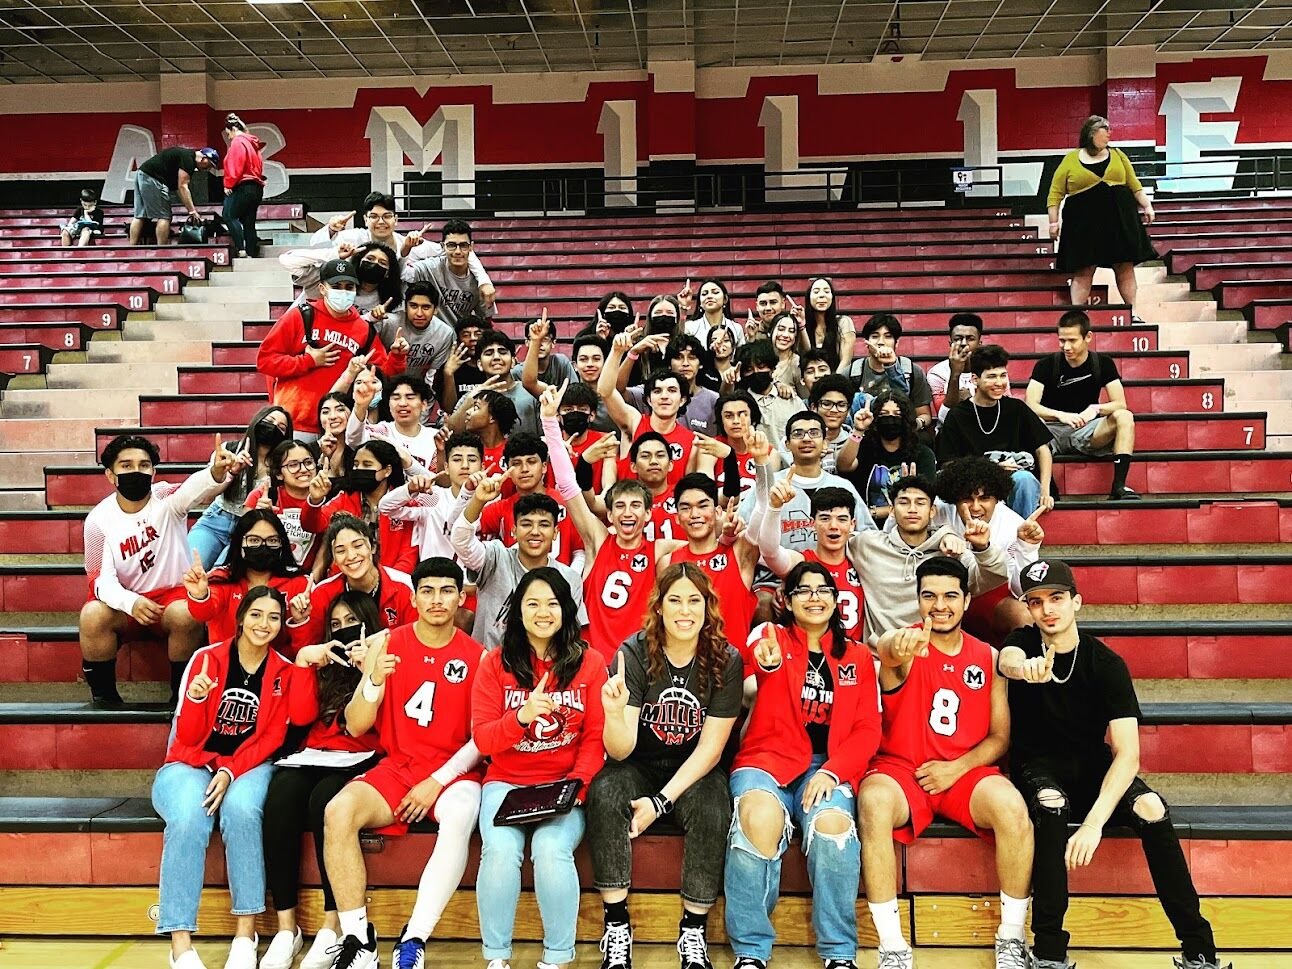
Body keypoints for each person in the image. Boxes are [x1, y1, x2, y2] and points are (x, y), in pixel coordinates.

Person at [1000, 559, 1229, 969]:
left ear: (1077, 602)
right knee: (1052, 807)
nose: (1047, 609)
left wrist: (1094, 824)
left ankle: (1199, 949)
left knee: (1152, 808)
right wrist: (1024, 670)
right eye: (1036, 602)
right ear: (1029, 610)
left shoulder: (1105, 664)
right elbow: (1007, 659)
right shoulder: (1022, 642)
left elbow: (1128, 754)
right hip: (1038, 765)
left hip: (1092, 766)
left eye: (1056, 598)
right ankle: (1049, 951)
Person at [860, 557, 1034, 969]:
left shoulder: (988, 657)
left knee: (1013, 809)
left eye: (950, 595)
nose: (940, 605)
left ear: (966, 599)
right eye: (929, 596)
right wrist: (889, 648)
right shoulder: (903, 645)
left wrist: (956, 769)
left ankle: (1011, 938)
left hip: (964, 773)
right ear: (917, 600)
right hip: (903, 769)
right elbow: (884, 650)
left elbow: (1000, 738)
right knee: (873, 803)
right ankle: (893, 946)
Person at [322, 558, 487, 969]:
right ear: (412, 597)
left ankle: (414, 939)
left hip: (454, 773)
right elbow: (357, 726)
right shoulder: (386, 643)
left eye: (446, 591)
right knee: (337, 811)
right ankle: (359, 941)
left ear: (461, 598)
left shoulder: (479, 656)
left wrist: (436, 780)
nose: (436, 599)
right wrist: (374, 680)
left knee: (463, 811)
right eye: (427, 591)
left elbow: (480, 741)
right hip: (398, 767)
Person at [725, 562, 882, 969]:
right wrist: (767, 662)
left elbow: (868, 730)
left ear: (836, 599)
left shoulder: (859, 657)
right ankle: (751, 950)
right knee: (757, 815)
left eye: (822, 589)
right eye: (803, 590)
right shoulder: (772, 638)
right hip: (766, 759)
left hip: (827, 765)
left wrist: (832, 770)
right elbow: (759, 660)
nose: (814, 597)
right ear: (788, 601)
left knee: (834, 828)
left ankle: (838, 951)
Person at [589, 564, 743, 969]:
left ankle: (693, 929)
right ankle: (616, 925)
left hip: (694, 766)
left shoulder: (726, 660)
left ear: (708, 608)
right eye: (674, 599)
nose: (684, 610)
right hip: (639, 761)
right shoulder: (633, 653)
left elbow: (710, 750)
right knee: (604, 791)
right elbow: (620, 752)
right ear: (659, 607)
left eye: (695, 600)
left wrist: (659, 802)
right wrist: (614, 714)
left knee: (713, 805)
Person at [152, 587, 314, 969]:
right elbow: (188, 738)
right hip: (188, 763)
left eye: (274, 617)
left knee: (242, 811)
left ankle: (246, 933)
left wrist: (229, 771)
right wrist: (193, 699)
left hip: (248, 764)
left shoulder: (283, 672)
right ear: (241, 617)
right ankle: (180, 944)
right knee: (190, 817)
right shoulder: (205, 659)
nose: (264, 624)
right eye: (256, 615)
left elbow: (273, 738)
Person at [471, 567, 608, 969]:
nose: (542, 611)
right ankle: (496, 957)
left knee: (550, 850)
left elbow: (595, 737)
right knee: (499, 851)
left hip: (565, 783)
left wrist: (576, 787)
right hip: (508, 782)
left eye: (552, 603)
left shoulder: (591, 663)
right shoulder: (494, 664)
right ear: (518, 611)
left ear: (567, 610)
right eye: (532, 603)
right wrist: (521, 717)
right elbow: (483, 740)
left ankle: (557, 957)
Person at [259, 592, 380, 969]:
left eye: (352, 623)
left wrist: (368, 669)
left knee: (324, 803)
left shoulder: (382, 658)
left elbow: (381, 721)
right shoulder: (323, 662)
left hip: (363, 754)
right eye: (337, 624)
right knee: (278, 798)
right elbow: (300, 716)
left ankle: (333, 925)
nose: (344, 631)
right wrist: (302, 663)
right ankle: (286, 927)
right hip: (315, 753)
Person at [81, 433, 244, 707]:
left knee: (186, 613)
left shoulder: (165, 496)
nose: (137, 471)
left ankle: (180, 698)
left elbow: (193, 489)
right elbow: (100, 582)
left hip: (172, 600)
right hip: (127, 605)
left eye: (144, 465)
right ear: (110, 475)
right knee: (92, 614)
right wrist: (131, 602)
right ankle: (104, 698)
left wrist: (215, 470)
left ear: (153, 471)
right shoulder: (97, 520)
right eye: (127, 465)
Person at [843, 474, 1009, 648]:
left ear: (932, 511)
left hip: (932, 656)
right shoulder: (867, 545)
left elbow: (995, 577)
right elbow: (833, 541)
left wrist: (983, 547)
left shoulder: (951, 551)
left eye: (920, 503)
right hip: (880, 656)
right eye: (904, 502)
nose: (912, 509)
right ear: (891, 510)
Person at [256, 258, 405, 441]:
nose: (343, 291)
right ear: (322, 289)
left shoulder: (363, 329)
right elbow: (265, 361)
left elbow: (381, 374)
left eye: (349, 287)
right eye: (337, 286)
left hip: (337, 426)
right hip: (295, 422)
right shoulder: (300, 316)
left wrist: (397, 357)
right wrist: (308, 361)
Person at [451, 475, 587, 649]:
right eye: (526, 524)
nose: (535, 532)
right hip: (490, 669)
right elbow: (461, 541)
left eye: (544, 525)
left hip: (543, 671)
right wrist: (478, 500)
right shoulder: (496, 558)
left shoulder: (569, 579)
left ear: (555, 533)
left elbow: (570, 636)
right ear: (514, 531)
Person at [1048, 116, 1156, 320]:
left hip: (1119, 218)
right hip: (1083, 222)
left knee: (1124, 266)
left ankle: (1132, 312)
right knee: (1084, 268)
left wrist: (1147, 206)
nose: (1109, 133)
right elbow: (1055, 194)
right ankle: (1077, 314)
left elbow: (1134, 184)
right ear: (1091, 133)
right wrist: (1053, 222)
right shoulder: (1070, 159)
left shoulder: (1118, 155)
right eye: (1104, 129)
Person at [1026, 309, 1141, 500]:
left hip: (1086, 430)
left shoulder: (1103, 363)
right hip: (1052, 432)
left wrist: (1096, 409)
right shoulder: (1046, 364)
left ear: (1088, 337)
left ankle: (1118, 487)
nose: (1066, 346)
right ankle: (1051, 491)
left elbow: (1120, 403)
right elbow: (1030, 405)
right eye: (1062, 340)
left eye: (1072, 340)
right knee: (1029, 424)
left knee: (1125, 416)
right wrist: (1060, 415)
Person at [929, 457, 1043, 642]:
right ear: (953, 498)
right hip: (937, 595)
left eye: (984, 498)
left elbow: (1021, 591)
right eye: (967, 498)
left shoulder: (1013, 525)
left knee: (1023, 616)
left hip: (987, 598)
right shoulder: (937, 511)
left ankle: (1019, 667)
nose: (975, 507)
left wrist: (1027, 548)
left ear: (997, 499)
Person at [938, 345, 1055, 519]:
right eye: (992, 377)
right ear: (975, 380)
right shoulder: (958, 415)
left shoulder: (1016, 408)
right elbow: (947, 463)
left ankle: (1020, 541)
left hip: (1014, 481)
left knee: (1025, 479)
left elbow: (1043, 448)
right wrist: (991, 468)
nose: (999, 383)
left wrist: (1045, 490)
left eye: (1003, 375)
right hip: (975, 483)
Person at [756, 476, 868, 646]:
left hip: (852, 658)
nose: (833, 526)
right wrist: (774, 508)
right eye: (824, 518)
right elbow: (770, 552)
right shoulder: (801, 561)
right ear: (812, 523)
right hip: (806, 657)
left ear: (853, 524)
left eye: (842, 519)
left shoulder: (863, 561)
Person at [657, 473, 761, 656]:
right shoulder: (667, 562)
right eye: (686, 508)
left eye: (703, 505)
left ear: (718, 512)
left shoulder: (740, 551)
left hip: (733, 670)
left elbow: (764, 506)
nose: (694, 514)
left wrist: (761, 460)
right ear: (677, 517)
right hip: (684, 670)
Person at [287, 515, 416, 652]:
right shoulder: (323, 593)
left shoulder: (405, 586)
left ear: (372, 547)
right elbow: (308, 653)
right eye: (341, 551)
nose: (351, 556)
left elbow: (417, 641)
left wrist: (384, 640)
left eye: (358, 545)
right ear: (334, 559)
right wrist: (301, 621)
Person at [184, 509, 308, 646]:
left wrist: (300, 622)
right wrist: (200, 596)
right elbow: (203, 614)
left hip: (279, 664)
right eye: (254, 540)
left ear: (282, 544)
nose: (263, 546)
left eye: (272, 540)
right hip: (226, 663)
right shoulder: (221, 579)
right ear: (239, 543)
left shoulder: (299, 583)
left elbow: (306, 646)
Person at [188, 405, 291, 569]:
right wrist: (232, 472)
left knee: (219, 575)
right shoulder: (229, 451)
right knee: (190, 567)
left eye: (281, 427)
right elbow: (206, 498)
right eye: (269, 421)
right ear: (257, 421)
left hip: (250, 529)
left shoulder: (283, 466)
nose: (273, 428)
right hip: (216, 519)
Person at [300, 439, 419, 575]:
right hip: (345, 582)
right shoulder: (345, 498)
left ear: (387, 470)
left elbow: (408, 556)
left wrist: (385, 584)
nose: (359, 469)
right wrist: (315, 500)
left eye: (367, 465)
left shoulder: (406, 504)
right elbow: (312, 526)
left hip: (390, 584)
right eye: (356, 465)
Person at [600, 334, 697, 489]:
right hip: (627, 509)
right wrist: (616, 351)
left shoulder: (693, 442)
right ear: (649, 400)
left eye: (672, 390)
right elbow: (605, 392)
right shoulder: (634, 422)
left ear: (683, 400)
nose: (664, 396)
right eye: (657, 391)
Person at [380, 431, 485, 564]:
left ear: (482, 467)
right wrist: (409, 489)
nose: (465, 465)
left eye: (472, 460)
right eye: (457, 459)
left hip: (477, 582)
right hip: (433, 581)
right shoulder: (433, 497)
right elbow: (385, 508)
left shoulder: (491, 502)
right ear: (446, 467)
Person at [836, 390, 937, 525]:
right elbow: (843, 466)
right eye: (884, 414)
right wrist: (858, 430)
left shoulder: (923, 454)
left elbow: (928, 499)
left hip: (907, 526)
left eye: (897, 415)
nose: (890, 419)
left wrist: (874, 512)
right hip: (866, 528)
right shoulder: (864, 447)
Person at [848, 314, 934, 434]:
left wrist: (915, 425)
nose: (881, 342)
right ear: (866, 342)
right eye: (875, 336)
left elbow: (924, 414)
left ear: (896, 343)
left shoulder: (912, 371)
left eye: (888, 337)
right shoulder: (851, 372)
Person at [401, 219, 496, 325]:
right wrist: (406, 247)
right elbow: (403, 275)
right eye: (451, 245)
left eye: (463, 245)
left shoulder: (480, 282)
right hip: (433, 336)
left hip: (461, 336)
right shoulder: (430, 268)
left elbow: (486, 321)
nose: (458, 251)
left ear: (471, 247)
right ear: (442, 246)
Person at [620, 333, 719, 434]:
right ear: (669, 364)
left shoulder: (713, 400)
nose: (685, 363)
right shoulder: (653, 391)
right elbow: (618, 390)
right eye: (678, 357)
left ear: (701, 364)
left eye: (692, 357)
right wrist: (633, 353)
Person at [246, 440, 322, 569]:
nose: (303, 470)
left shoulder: (328, 498)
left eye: (308, 463)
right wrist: (260, 517)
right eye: (293, 465)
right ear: (279, 474)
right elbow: (242, 540)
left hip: (309, 577)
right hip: (268, 572)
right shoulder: (262, 496)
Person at [129, 146, 219, 246]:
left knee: (140, 215)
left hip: (142, 173)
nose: (208, 169)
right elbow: (183, 187)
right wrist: (192, 211)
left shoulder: (185, 155)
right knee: (164, 216)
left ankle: (132, 247)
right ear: (204, 158)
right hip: (154, 179)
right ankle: (162, 250)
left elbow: (179, 188)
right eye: (209, 165)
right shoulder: (188, 160)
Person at [347, 371, 438, 468]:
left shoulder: (435, 438)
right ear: (389, 404)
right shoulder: (380, 432)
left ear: (424, 405)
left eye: (410, 397)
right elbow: (354, 440)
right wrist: (360, 406)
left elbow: (440, 478)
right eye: (396, 398)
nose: (402, 403)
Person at [377, 281, 454, 385]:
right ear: (405, 307)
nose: (419, 313)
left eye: (426, 307)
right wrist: (371, 318)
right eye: (413, 306)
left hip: (416, 390)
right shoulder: (387, 323)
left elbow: (432, 376)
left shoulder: (445, 333)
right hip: (381, 385)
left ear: (436, 310)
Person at [732, 339, 802, 447]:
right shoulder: (740, 404)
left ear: (772, 368)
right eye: (749, 369)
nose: (756, 372)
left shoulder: (791, 399)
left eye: (761, 367)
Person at [926, 313, 985, 427]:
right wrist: (955, 374)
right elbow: (945, 417)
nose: (963, 343)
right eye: (958, 339)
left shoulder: (993, 370)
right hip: (950, 434)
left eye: (970, 339)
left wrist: (970, 400)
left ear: (979, 344)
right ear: (950, 343)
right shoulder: (936, 374)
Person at [220, 113, 266, 258]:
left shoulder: (238, 142)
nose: (229, 137)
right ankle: (251, 251)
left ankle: (240, 249)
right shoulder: (253, 145)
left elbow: (236, 165)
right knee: (248, 221)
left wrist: (228, 184)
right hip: (256, 187)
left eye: (228, 134)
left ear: (233, 129)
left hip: (243, 185)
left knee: (229, 215)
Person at [798, 277, 856, 374]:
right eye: (816, 292)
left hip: (836, 382)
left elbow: (846, 361)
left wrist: (831, 384)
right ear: (809, 297)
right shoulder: (802, 324)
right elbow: (805, 356)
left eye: (826, 291)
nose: (821, 295)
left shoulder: (843, 322)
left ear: (832, 297)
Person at [681, 278, 742, 348]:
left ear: (725, 299)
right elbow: (679, 342)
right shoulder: (690, 327)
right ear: (700, 303)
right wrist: (683, 308)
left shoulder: (736, 328)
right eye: (704, 294)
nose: (709, 296)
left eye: (715, 292)